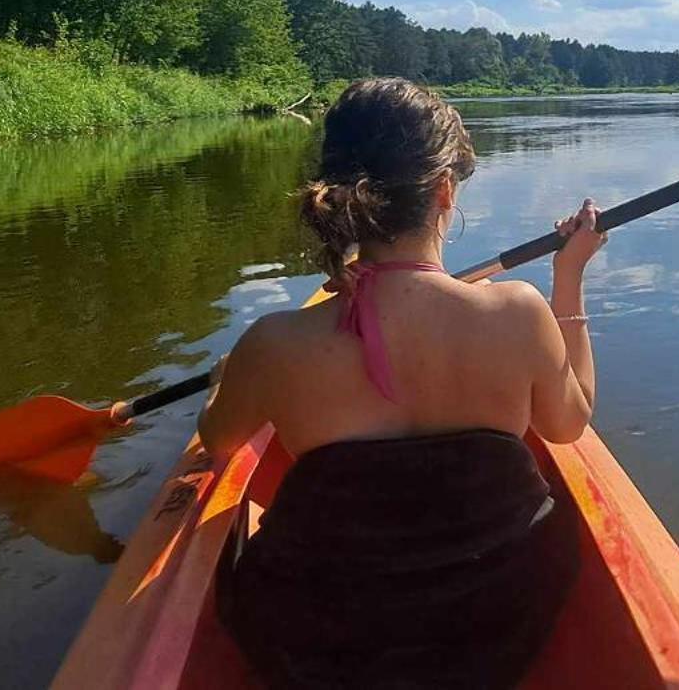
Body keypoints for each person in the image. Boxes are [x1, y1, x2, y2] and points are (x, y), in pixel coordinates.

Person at [198, 77, 605, 688]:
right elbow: (569, 424)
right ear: (443, 191)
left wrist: (224, 380)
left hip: (320, 646)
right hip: (494, 629)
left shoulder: (274, 344)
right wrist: (567, 276)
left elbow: (218, 443)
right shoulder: (519, 314)